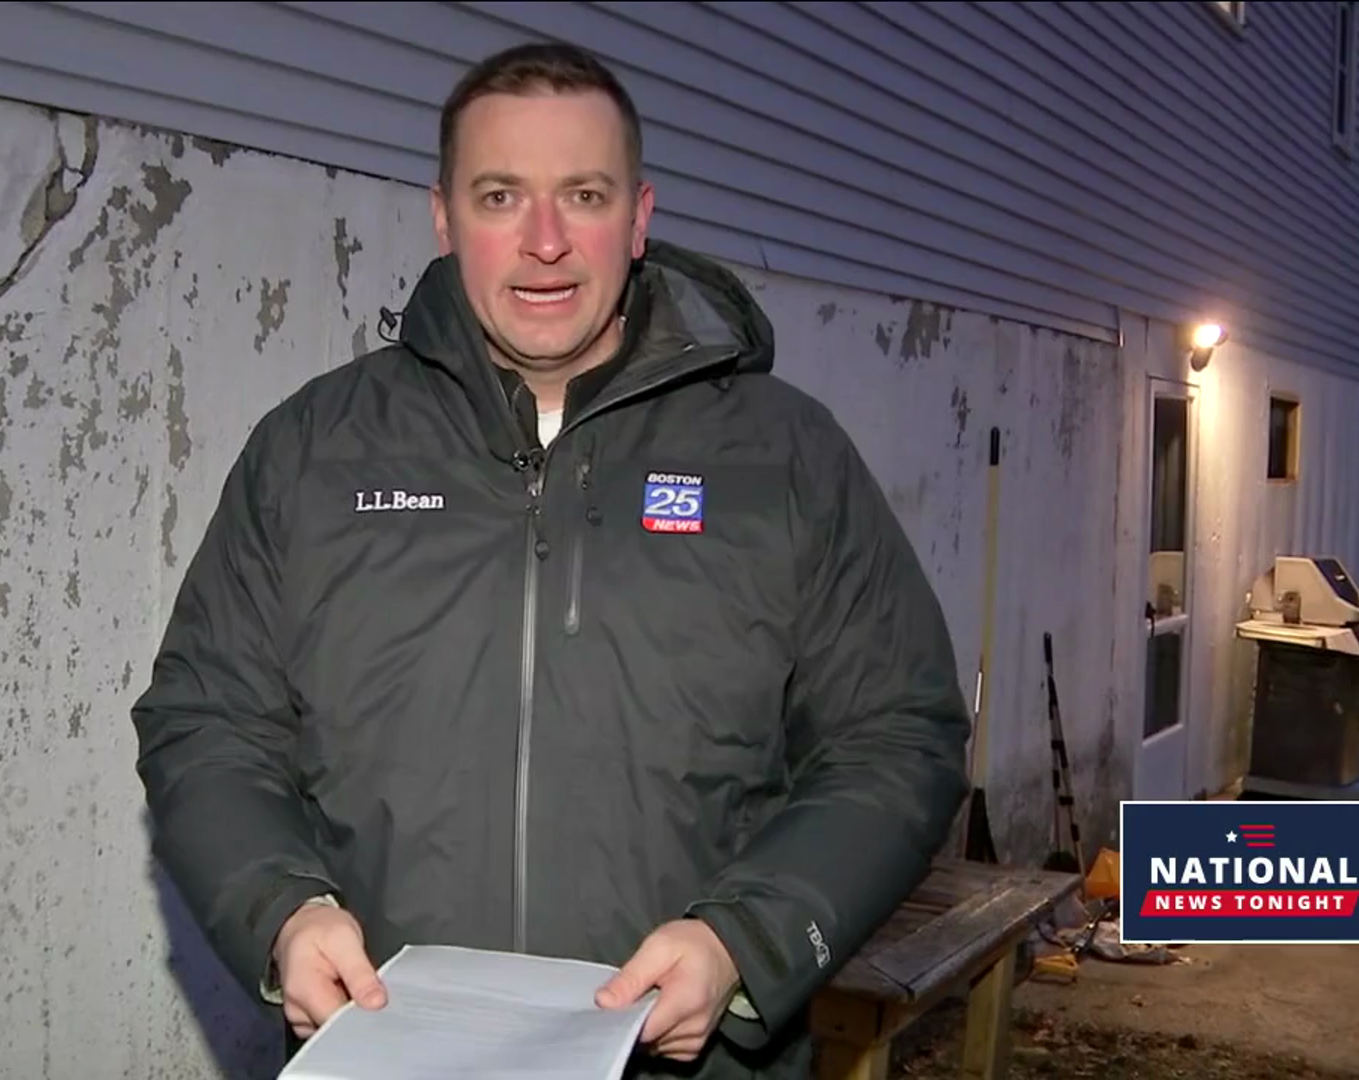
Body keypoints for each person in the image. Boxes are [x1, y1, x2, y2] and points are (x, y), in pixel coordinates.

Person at [131, 40, 973, 1079]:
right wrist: (280, 912)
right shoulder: (311, 454)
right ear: (444, 218)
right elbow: (206, 724)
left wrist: (747, 943)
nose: (544, 242)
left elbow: (897, 735)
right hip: (388, 1055)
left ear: (639, 217)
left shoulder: (784, 459)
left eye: (584, 195)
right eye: (500, 196)